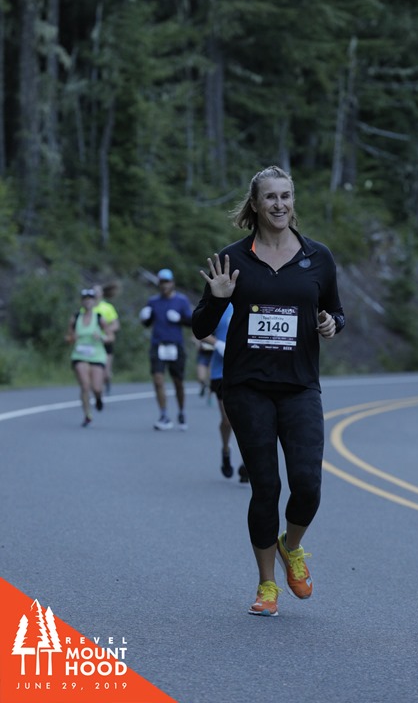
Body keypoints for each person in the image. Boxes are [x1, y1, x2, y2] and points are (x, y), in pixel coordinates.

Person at [192, 165, 345, 617]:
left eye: (285, 196)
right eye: (270, 197)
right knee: (266, 486)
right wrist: (218, 297)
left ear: (292, 202)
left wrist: (330, 324)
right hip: (247, 388)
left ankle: (290, 546)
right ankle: (266, 585)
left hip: (300, 386)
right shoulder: (233, 259)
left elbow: (336, 312)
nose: (279, 204)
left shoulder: (318, 258)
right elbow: (200, 327)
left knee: (307, 485)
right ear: (255, 205)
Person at [139, 268, 193, 430]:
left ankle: (181, 411)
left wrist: (179, 319)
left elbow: (191, 322)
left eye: (167, 282)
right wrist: (144, 318)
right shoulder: (153, 301)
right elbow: (147, 323)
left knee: (178, 382)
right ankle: (163, 415)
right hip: (158, 345)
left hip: (175, 345)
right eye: (162, 282)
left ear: (172, 283)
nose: (164, 285)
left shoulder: (181, 301)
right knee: (158, 380)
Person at [201, 304, 248, 482]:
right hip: (221, 372)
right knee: (228, 419)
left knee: (249, 419)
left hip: (248, 370)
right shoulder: (219, 303)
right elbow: (199, 331)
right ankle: (226, 450)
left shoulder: (253, 299)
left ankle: (248, 462)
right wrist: (218, 344)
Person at [66, 288, 114, 427]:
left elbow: (111, 336)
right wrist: (71, 338)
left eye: (90, 299)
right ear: (81, 301)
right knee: (85, 385)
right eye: (85, 299)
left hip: (97, 356)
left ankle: (98, 398)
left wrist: (102, 337)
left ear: (94, 301)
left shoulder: (99, 318)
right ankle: (87, 414)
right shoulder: (75, 318)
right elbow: (68, 337)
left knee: (97, 388)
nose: (88, 301)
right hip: (80, 355)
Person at [93, 283, 121, 394]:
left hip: (105, 341)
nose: (95, 294)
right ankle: (96, 391)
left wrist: (105, 331)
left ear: (102, 293)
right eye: (94, 291)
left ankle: (107, 380)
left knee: (106, 372)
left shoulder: (107, 308)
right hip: (92, 343)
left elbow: (116, 325)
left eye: (98, 291)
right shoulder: (87, 308)